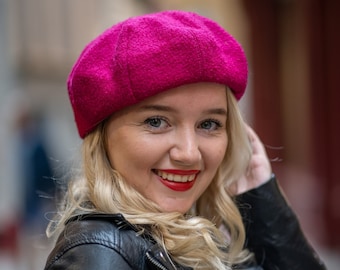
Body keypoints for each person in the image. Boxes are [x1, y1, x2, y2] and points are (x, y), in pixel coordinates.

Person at [44, 10, 326, 270]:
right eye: (156, 122)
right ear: (102, 137)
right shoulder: (100, 254)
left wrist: (261, 196)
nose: (189, 153)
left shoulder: (193, 233)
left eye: (209, 124)